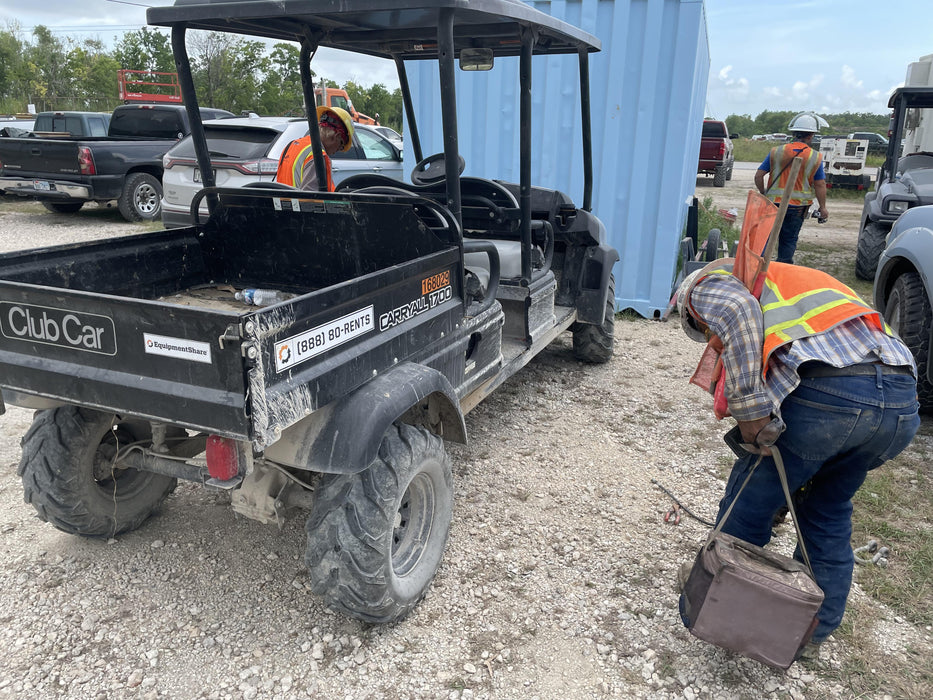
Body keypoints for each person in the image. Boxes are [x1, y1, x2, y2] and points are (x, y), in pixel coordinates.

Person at [675, 261, 920, 659]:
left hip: (832, 392)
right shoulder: (799, 280)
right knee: (826, 511)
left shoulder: (709, 283)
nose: (709, 336)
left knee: (750, 500)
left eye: (703, 329)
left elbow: (736, 314)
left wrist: (752, 414)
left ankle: (718, 608)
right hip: (899, 402)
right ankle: (809, 633)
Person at [753, 112, 829, 264]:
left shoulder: (777, 151)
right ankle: (782, 270)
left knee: (765, 237)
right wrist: (823, 207)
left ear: (794, 133)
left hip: (773, 203)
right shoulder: (815, 157)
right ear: (811, 135)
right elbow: (820, 184)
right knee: (788, 240)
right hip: (798, 207)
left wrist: (764, 193)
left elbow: (759, 176)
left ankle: (758, 270)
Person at [275, 106, 354, 191]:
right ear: (337, 136)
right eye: (341, 145)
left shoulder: (290, 146)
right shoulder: (317, 156)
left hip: (283, 203)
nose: (337, 151)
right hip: (298, 204)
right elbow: (311, 200)